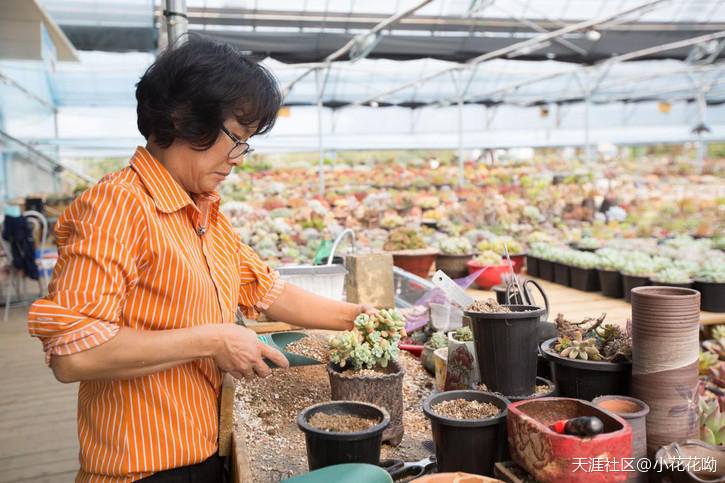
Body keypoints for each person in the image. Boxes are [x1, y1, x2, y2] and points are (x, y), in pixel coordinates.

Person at [28, 36, 375, 483]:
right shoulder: (118, 207)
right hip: (143, 468)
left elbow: (265, 289)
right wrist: (214, 340)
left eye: (246, 144)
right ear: (184, 119)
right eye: (237, 139)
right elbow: (74, 354)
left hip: (201, 448)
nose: (239, 160)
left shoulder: (201, 209)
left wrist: (357, 319)